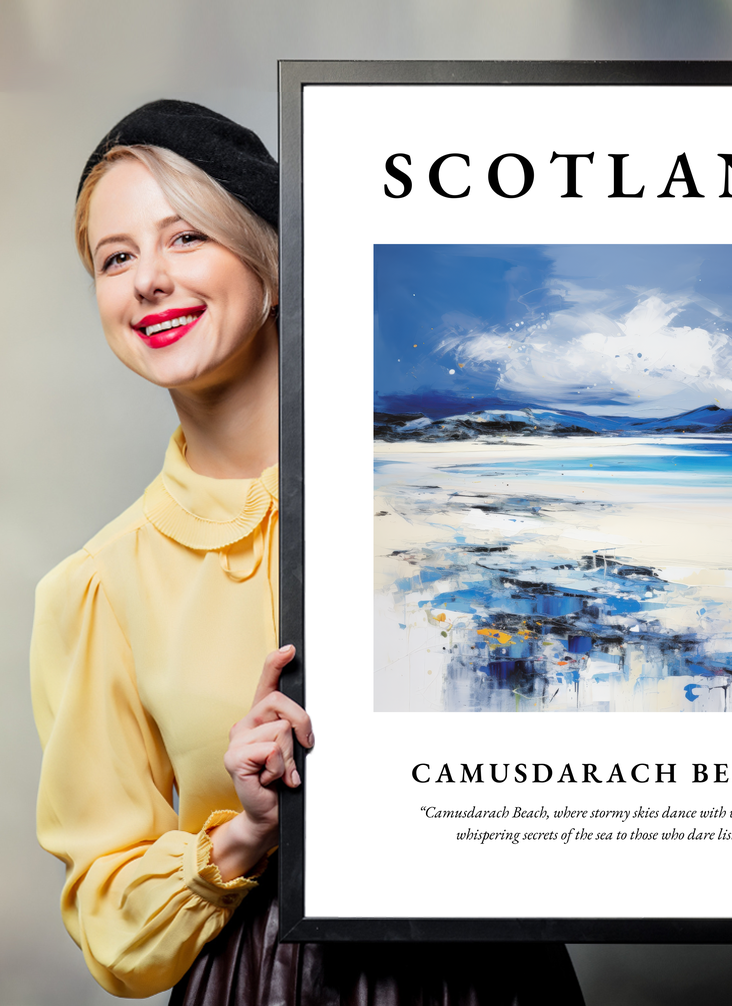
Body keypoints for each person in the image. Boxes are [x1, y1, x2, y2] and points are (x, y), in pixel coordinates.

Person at [30, 100, 586, 1004]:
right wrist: (244, 832)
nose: (148, 281)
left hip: (492, 972)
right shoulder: (97, 587)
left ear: (273, 263)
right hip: (262, 982)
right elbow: (110, 923)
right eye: (116, 257)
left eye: (185, 238)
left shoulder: (454, 495)